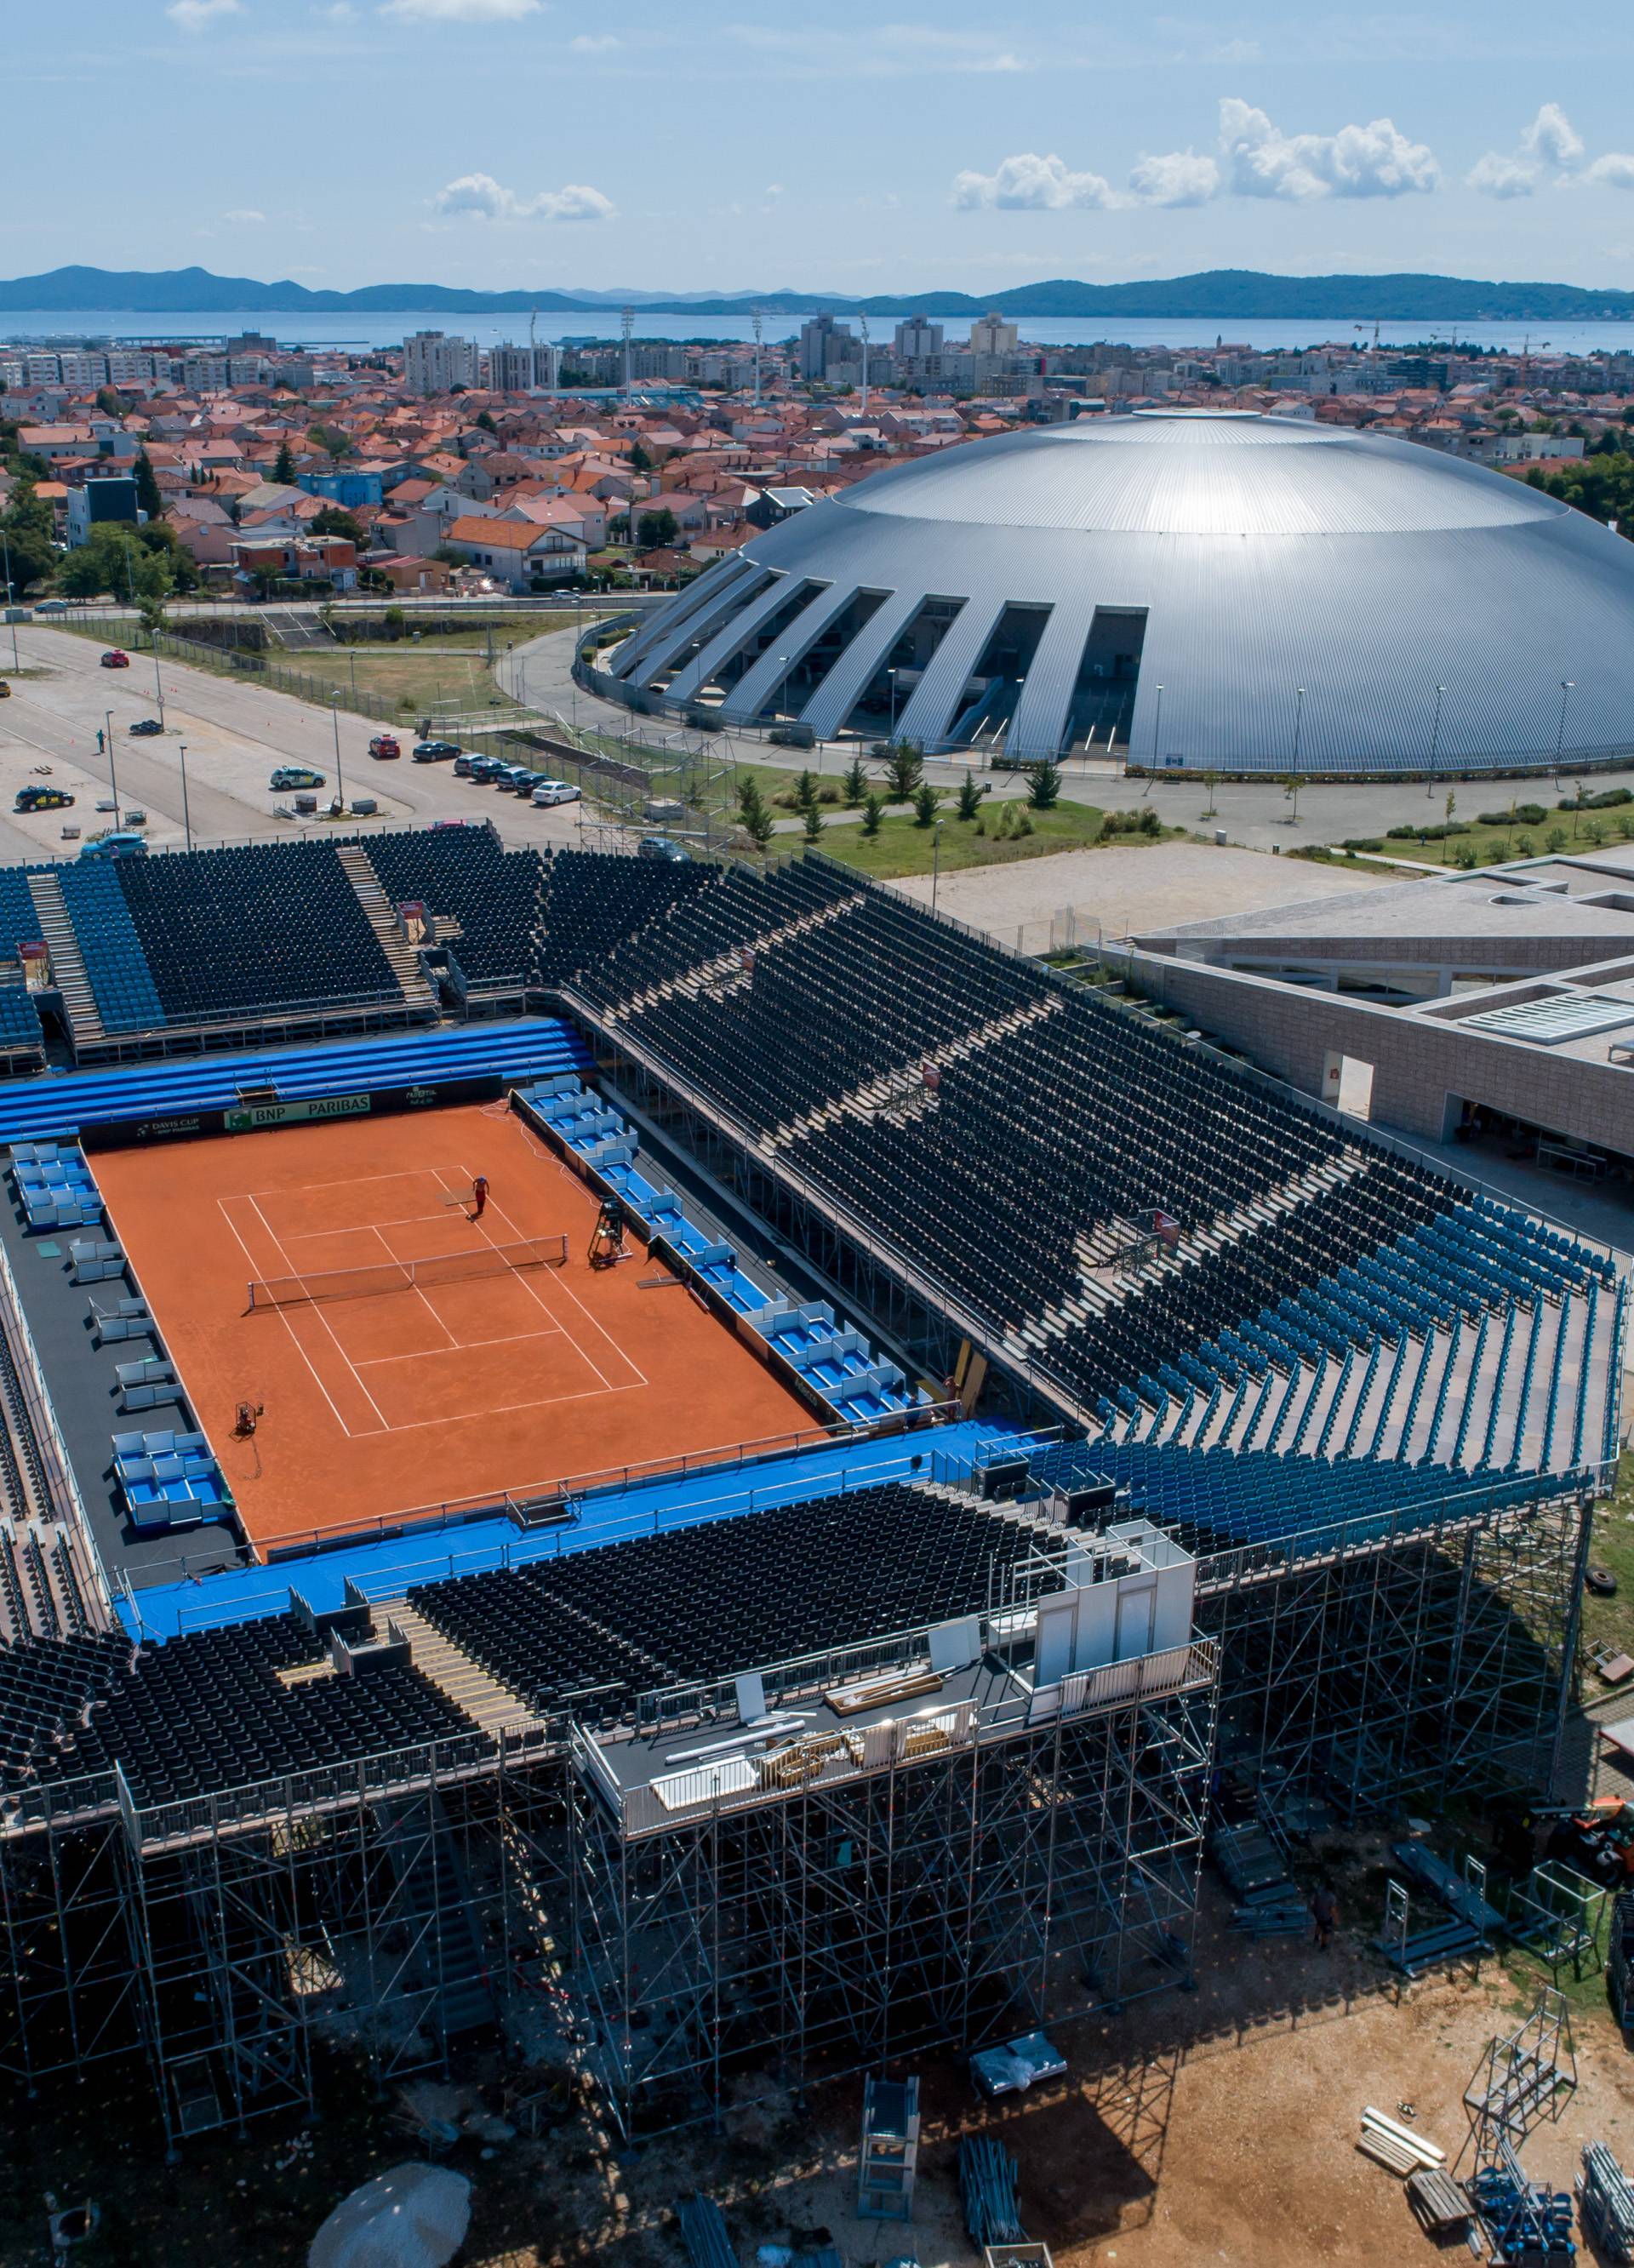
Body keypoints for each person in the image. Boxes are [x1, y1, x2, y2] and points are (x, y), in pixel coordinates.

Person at [1311, 1881, 1339, 1951]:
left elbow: (1314, 1901)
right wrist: (1336, 1919)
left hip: (1318, 1914)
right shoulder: (1332, 1898)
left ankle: (1316, 1938)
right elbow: (1332, 1910)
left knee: (1319, 1925)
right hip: (1326, 1917)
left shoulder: (1319, 1891)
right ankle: (1323, 1946)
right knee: (1326, 1932)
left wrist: (1314, 1910)